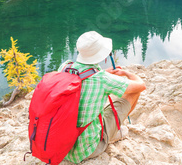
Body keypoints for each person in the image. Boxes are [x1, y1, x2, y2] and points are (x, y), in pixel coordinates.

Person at [59, 31, 146, 163]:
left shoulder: (65, 67)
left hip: (60, 144)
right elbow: (141, 85)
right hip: (86, 150)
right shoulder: (102, 79)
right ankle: (112, 133)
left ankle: (110, 130)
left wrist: (103, 72)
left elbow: (81, 77)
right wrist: (126, 73)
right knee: (133, 93)